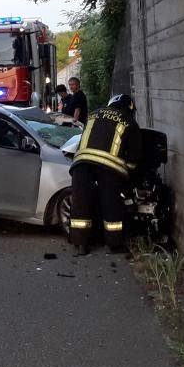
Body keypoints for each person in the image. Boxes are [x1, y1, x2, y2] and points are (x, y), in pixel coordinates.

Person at [68, 93, 141, 254]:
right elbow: (134, 156)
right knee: (111, 204)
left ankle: (81, 244)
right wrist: (129, 172)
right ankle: (114, 244)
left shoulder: (94, 114)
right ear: (129, 108)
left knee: (81, 202)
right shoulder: (129, 121)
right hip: (108, 167)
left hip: (81, 163)